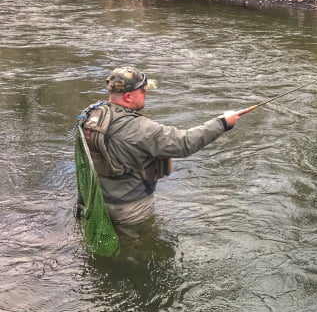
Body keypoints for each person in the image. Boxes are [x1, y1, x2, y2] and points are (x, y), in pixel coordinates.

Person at [82, 66, 241, 227]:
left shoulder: (92, 115)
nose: (146, 94)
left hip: (97, 200)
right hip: (131, 209)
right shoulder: (141, 128)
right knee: (138, 247)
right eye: (143, 91)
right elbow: (185, 143)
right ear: (129, 96)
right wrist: (222, 123)